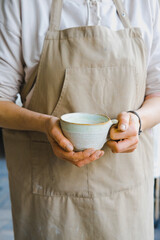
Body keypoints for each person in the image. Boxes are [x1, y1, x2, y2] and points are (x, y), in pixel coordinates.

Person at [0, 0, 160, 239]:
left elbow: (157, 92)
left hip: (125, 198)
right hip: (49, 202)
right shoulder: (22, 4)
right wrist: (45, 124)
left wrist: (137, 121)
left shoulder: (146, 4)